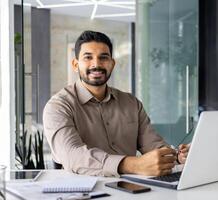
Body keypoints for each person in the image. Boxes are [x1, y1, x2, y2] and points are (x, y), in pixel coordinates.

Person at [43, 30, 190, 177]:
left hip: (132, 189)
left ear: (112, 64)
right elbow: (72, 155)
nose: (96, 64)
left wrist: (177, 156)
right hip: (83, 192)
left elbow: (153, 145)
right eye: (88, 57)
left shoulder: (131, 103)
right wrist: (134, 165)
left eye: (104, 57)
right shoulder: (58, 106)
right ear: (75, 64)